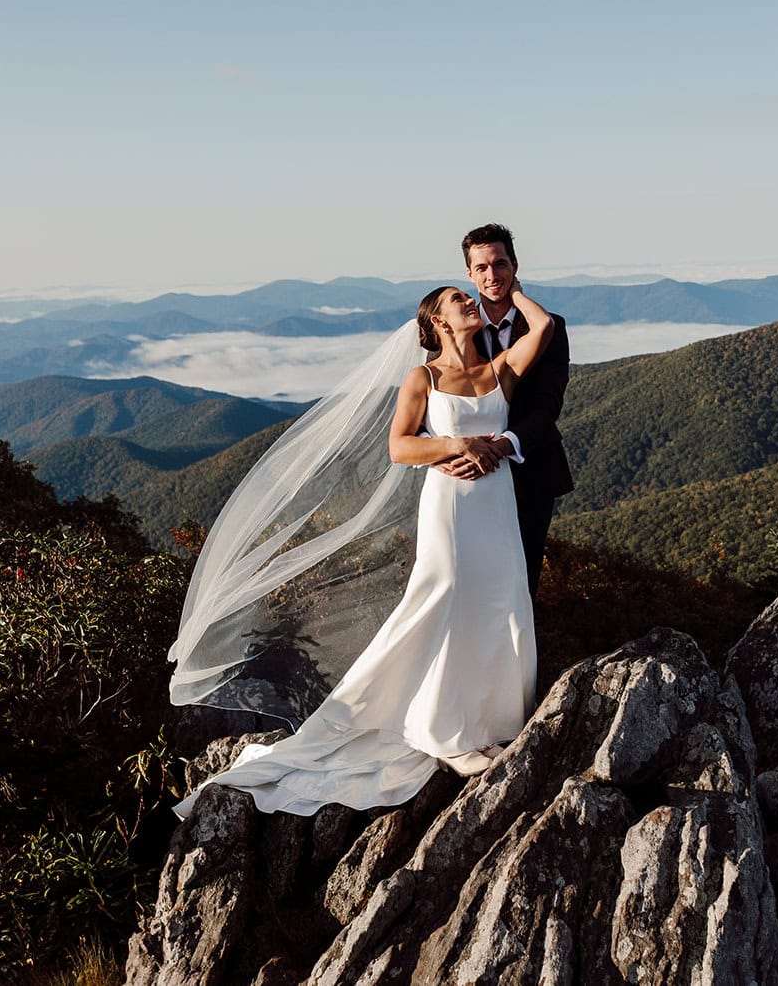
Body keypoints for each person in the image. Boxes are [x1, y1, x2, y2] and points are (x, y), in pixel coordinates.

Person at [172, 278, 558, 817]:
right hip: (450, 505)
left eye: (472, 296)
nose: (473, 300)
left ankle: (488, 723)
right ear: (439, 322)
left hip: (497, 506)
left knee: (499, 601)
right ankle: (441, 730)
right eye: (460, 299)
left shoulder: (499, 371)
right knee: (444, 596)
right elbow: (400, 446)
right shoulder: (422, 377)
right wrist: (455, 443)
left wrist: (507, 287)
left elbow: (543, 326)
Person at [431, 224, 573, 597]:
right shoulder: (456, 328)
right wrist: (445, 451)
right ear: (469, 273)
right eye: (482, 268)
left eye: (500, 264)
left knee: (520, 583)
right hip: (466, 480)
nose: (492, 276)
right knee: (466, 582)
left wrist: (501, 446)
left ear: (514, 265)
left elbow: (547, 407)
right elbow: (434, 408)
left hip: (530, 472)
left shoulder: (550, 327)